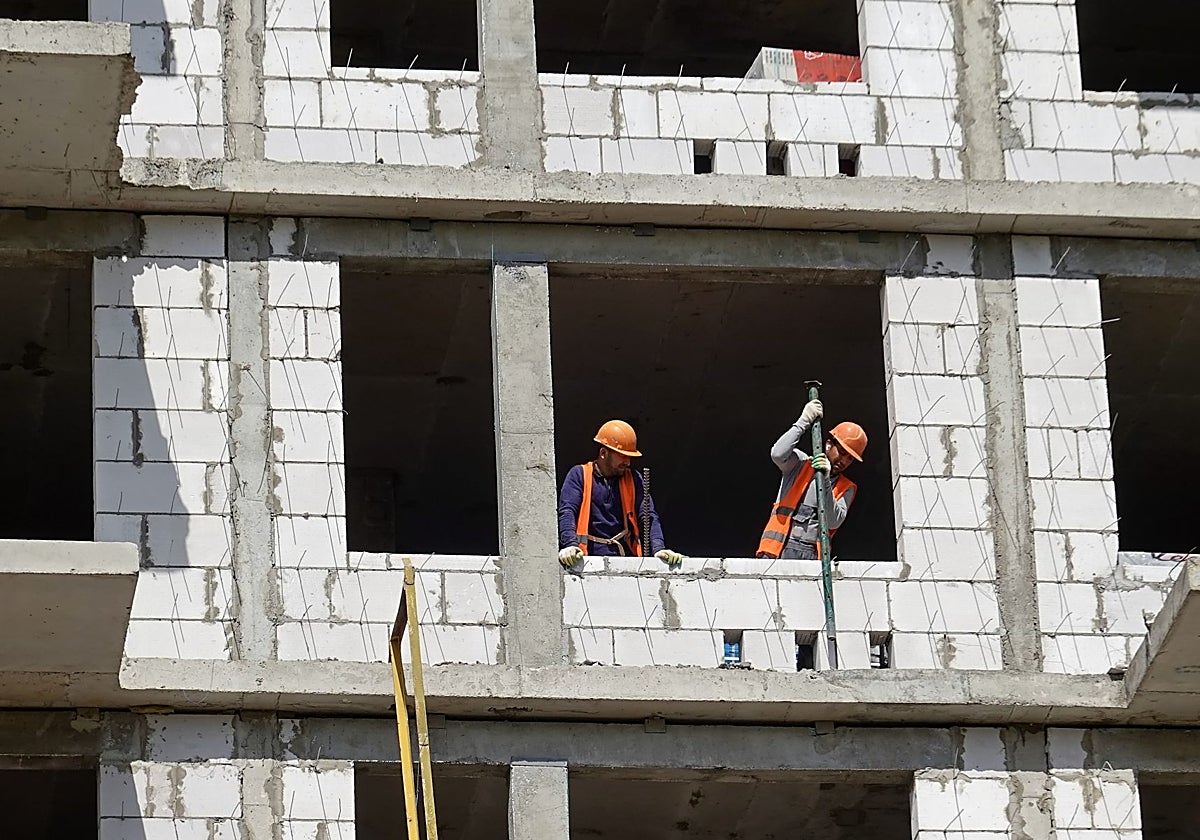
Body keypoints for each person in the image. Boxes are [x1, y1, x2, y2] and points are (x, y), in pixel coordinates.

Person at [558, 420, 685, 569]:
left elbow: (648, 516)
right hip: (587, 562)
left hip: (625, 561)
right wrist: (570, 545)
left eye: (629, 457)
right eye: (622, 456)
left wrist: (658, 548)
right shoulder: (579, 475)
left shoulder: (634, 479)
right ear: (603, 453)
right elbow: (567, 511)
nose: (628, 462)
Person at [757, 400, 867, 560]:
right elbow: (778, 454)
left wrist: (826, 479)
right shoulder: (800, 464)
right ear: (829, 445)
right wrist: (803, 421)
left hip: (812, 557)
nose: (844, 461)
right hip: (778, 550)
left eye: (850, 459)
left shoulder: (847, 487)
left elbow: (833, 521)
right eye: (842, 452)